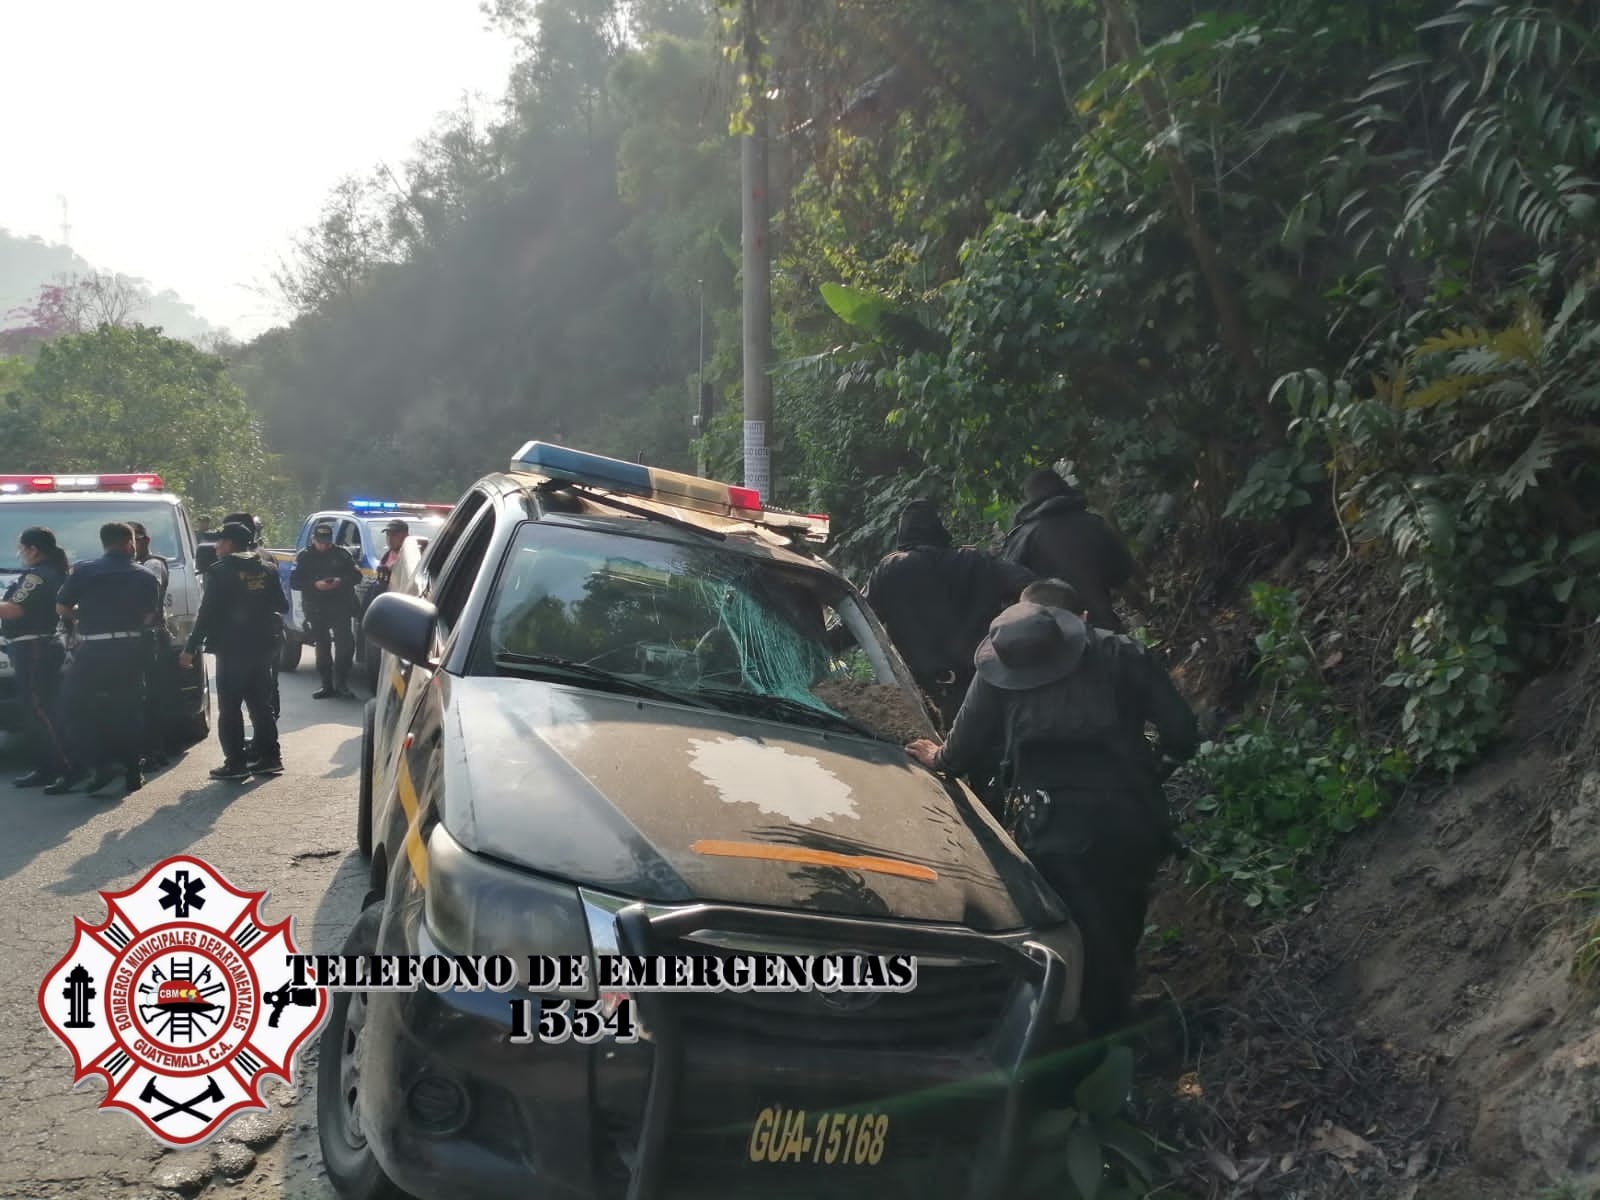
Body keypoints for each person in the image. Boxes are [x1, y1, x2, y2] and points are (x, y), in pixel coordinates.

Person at [905, 587, 1198, 1034]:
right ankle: (1112, 1015)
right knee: (1122, 913)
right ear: (1074, 621)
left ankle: (1063, 1024)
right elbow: (1182, 733)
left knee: (1062, 926)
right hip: (1132, 817)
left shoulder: (998, 673)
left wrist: (936, 757)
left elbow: (960, 753)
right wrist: (1151, 772)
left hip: (1051, 826)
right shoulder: (1120, 652)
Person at [862, 500, 1035, 728]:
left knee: (918, 755)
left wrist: (811, 638)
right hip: (980, 688)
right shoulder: (978, 562)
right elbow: (1033, 588)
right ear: (940, 530)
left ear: (902, 536)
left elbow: (858, 621)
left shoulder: (890, 569)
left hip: (915, 695)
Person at [49, 522, 161, 796]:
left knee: (73, 706)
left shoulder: (85, 570)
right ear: (129, 544)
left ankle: (97, 764)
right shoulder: (146, 576)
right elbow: (148, 616)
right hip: (129, 648)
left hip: (92, 650)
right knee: (128, 709)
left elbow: (62, 606)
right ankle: (133, 772)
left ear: (103, 543)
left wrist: (83, 617)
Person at [180, 521, 288, 780]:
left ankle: (236, 763)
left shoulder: (219, 572)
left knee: (230, 707)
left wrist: (190, 647)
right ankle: (270, 758)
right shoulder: (268, 569)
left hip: (232, 648)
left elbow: (206, 615)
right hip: (263, 647)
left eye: (220, 541)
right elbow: (282, 605)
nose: (216, 546)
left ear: (229, 543)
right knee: (261, 705)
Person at [1001, 467, 1136, 634]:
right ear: (1063, 487)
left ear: (1030, 500)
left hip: (1051, 639)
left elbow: (1006, 591)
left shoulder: (1022, 537)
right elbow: (1123, 573)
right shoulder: (1094, 524)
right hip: (1103, 630)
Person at [1, 527, 76, 788]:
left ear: (33, 549)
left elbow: (13, 610)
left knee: (43, 711)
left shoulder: (38, 577)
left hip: (33, 647)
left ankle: (69, 768)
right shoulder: (47, 573)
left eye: (22, 549)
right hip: (33, 646)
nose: (21, 554)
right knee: (35, 711)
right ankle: (45, 766)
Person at [222, 512, 284, 725]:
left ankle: (261, 739)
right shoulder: (267, 558)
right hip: (268, 635)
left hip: (238, 641)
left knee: (236, 701)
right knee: (267, 688)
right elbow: (281, 604)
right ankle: (267, 736)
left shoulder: (227, 564)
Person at [290, 520, 360, 699]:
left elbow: (356, 576)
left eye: (327, 542)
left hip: (339, 605)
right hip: (316, 607)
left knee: (345, 645)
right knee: (322, 646)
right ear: (313, 539)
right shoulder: (305, 557)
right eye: (320, 541)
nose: (324, 545)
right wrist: (315, 585)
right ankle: (326, 685)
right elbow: (295, 582)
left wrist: (339, 581)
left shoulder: (342, 554)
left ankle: (342, 684)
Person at [129, 520, 173, 769]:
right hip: (136, 638)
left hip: (151, 636)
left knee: (151, 696)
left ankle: (154, 751)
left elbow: (150, 593)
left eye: (133, 538)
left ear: (145, 540)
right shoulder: (130, 566)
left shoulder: (152, 564)